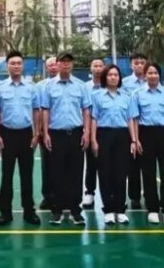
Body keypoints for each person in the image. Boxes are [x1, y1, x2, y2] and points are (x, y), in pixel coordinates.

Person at [40, 52, 92, 226]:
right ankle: (57, 210)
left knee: (76, 172)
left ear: (72, 65)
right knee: (56, 173)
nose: (65, 65)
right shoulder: (49, 86)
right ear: (57, 64)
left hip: (76, 134)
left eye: (69, 62)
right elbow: (45, 109)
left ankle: (75, 210)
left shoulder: (80, 86)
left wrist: (86, 132)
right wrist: (45, 132)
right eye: (62, 62)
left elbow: (86, 110)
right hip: (56, 134)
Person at [0, 50, 41, 226]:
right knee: (7, 176)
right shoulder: (0, 87)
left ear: (23, 65)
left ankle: (29, 211)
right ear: (7, 66)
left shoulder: (31, 87)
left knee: (27, 176)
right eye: (12, 63)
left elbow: (36, 111)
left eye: (19, 63)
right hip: (7, 134)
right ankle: (5, 212)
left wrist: (36, 133)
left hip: (26, 134)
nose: (16, 66)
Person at [126, 62, 164, 225]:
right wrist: (135, 139)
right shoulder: (137, 94)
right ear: (145, 75)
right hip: (145, 134)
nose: (153, 76)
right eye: (149, 73)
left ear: (159, 75)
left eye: (155, 73)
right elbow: (133, 119)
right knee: (148, 174)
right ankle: (153, 209)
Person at [91, 64, 130, 224]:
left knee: (121, 174)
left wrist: (133, 140)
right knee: (105, 173)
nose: (113, 77)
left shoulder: (127, 97)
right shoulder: (97, 96)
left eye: (116, 75)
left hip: (122, 135)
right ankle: (108, 209)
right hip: (104, 135)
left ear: (119, 78)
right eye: (110, 75)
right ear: (105, 78)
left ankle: (120, 209)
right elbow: (94, 119)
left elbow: (131, 119)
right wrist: (93, 140)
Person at [121, 53, 147, 208]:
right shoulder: (124, 83)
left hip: (147, 127)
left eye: (142, 62)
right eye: (136, 63)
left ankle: (150, 194)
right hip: (130, 127)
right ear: (131, 65)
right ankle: (135, 196)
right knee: (133, 164)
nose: (139, 65)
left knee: (148, 163)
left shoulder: (152, 80)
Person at [83, 57, 105, 208]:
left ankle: (108, 194)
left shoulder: (110, 86)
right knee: (91, 163)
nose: (98, 68)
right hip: (89, 129)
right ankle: (89, 193)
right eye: (95, 65)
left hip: (106, 129)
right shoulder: (84, 88)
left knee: (108, 165)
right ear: (90, 69)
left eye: (100, 66)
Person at [39, 56, 59, 209]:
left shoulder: (69, 85)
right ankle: (48, 196)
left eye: (54, 64)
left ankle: (63, 196)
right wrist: (40, 130)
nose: (52, 67)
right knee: (46, 165)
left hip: (62, 130)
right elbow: (38, 109)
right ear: (46, 68)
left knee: (63, 165)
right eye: (49, 65)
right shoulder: (40, 86)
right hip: (45, 131)